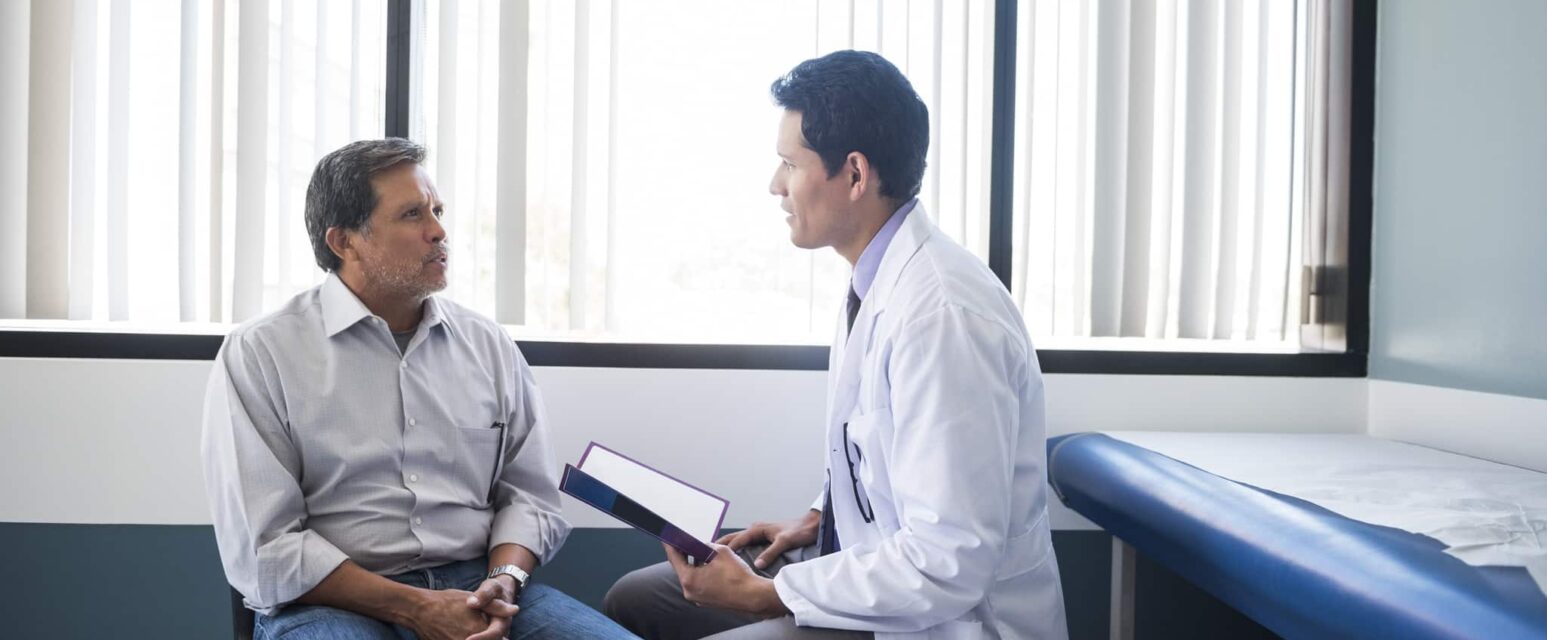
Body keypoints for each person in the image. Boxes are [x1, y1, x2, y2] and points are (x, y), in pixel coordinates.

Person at [604, 51, 1069, 639]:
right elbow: (881, 443)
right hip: (874, 573)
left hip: (950, 620)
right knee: (634, 600)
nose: (775, 185)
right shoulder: (876, 279)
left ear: (854, 175)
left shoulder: (944, 318)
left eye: (789, 165)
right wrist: (823, 520)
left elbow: (950, 561)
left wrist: (767, 594)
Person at [200, 138, 636, 640]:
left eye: (437, 210)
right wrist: (417, 607)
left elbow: (531, 498)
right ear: (345, 242)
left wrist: (505, 579)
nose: (439, 231)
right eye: (412, 215)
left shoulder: (487, 345)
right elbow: (267, 547)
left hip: (481, 589)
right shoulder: (262, 352)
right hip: (334, 601)